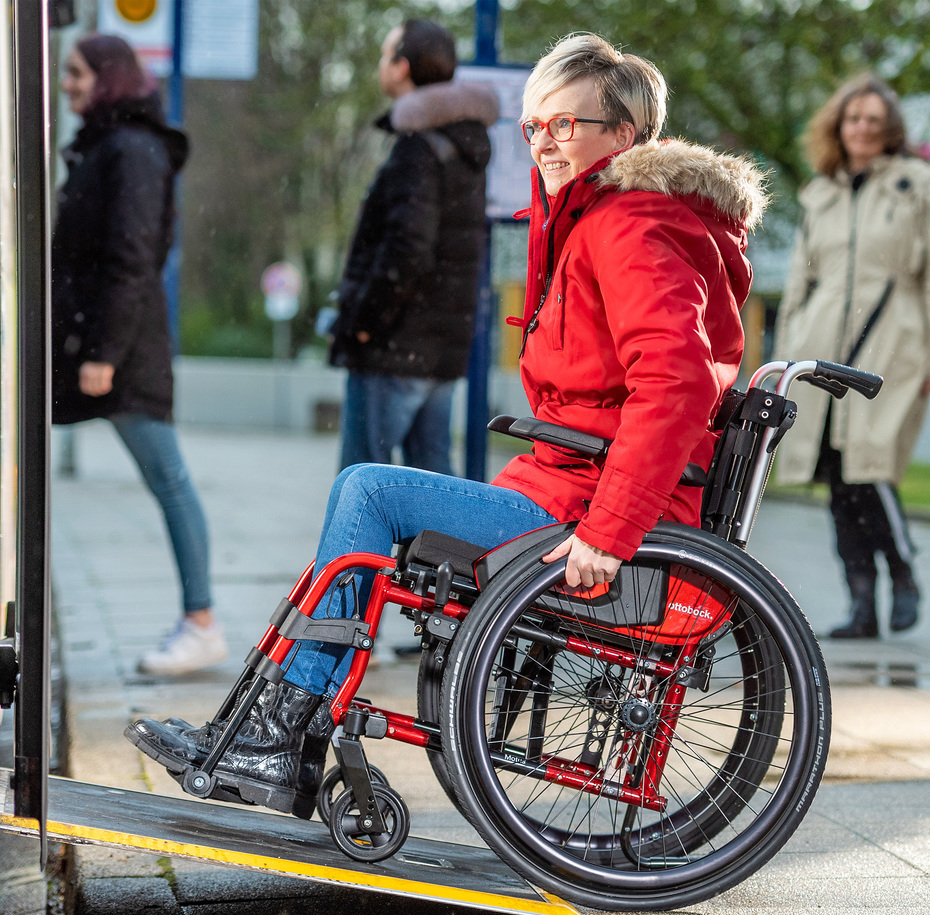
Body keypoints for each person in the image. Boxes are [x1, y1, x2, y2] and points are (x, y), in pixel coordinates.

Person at [126, 33, 767, 819]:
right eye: (535, 126)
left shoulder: (629, 223)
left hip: (597, 518)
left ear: (623, 135)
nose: (544, 142)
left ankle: (281, 735)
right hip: (568, 492)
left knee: (369, 492)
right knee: (363, 507)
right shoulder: (597, 218)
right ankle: (272, 730)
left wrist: (609, 532)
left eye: (566, 124)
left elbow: (675, 380)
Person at [52, 35, 227, 674]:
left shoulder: (131, 150)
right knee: (167, 480)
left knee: (169, 480)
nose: (66, 84)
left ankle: (202, 623)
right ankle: (200, 621)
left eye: (75, 73)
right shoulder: (112, 145)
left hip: (118, 345)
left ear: (108, 79)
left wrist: (103, 352)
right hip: (102, 338)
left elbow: (130, 258)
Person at [775, 74, 930, 640]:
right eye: (853, 118)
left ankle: (903, 572)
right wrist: (786, 354)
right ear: (838, 127)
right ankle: (861, 604)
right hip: (822, 349)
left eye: (873, 120)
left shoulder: (917, 186)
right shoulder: (820, 194)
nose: (862, 128)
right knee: (839, 481)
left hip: (895, 344)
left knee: (871, 467)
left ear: (890, 129)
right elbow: (800, 281)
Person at [329, 19, 499, 475]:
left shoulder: (418, 148)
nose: (381, 65)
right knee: (431, 485)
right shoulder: (463, 145)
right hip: (439, 350)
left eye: (385, 55)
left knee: (362, 482)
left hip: (394, 347)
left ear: (402, 67)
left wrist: (363, 324)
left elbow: (408, 249)